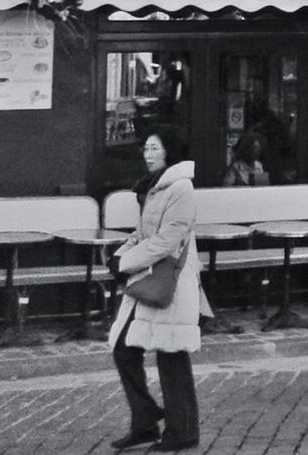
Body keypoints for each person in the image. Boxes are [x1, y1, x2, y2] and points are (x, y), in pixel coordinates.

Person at [107, 126, 201, 451]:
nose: (147, 155)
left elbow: (166, 241)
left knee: (171, 353)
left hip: (170, 280)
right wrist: (119, 255)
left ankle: (183, 432)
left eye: (154, 149)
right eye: (145, 149)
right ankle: (145, 421)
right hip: (147, 275)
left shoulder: (181, 189)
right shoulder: (153, 188)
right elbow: (142, 234)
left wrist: (124, 263)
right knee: (123, 348)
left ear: (169, 153)